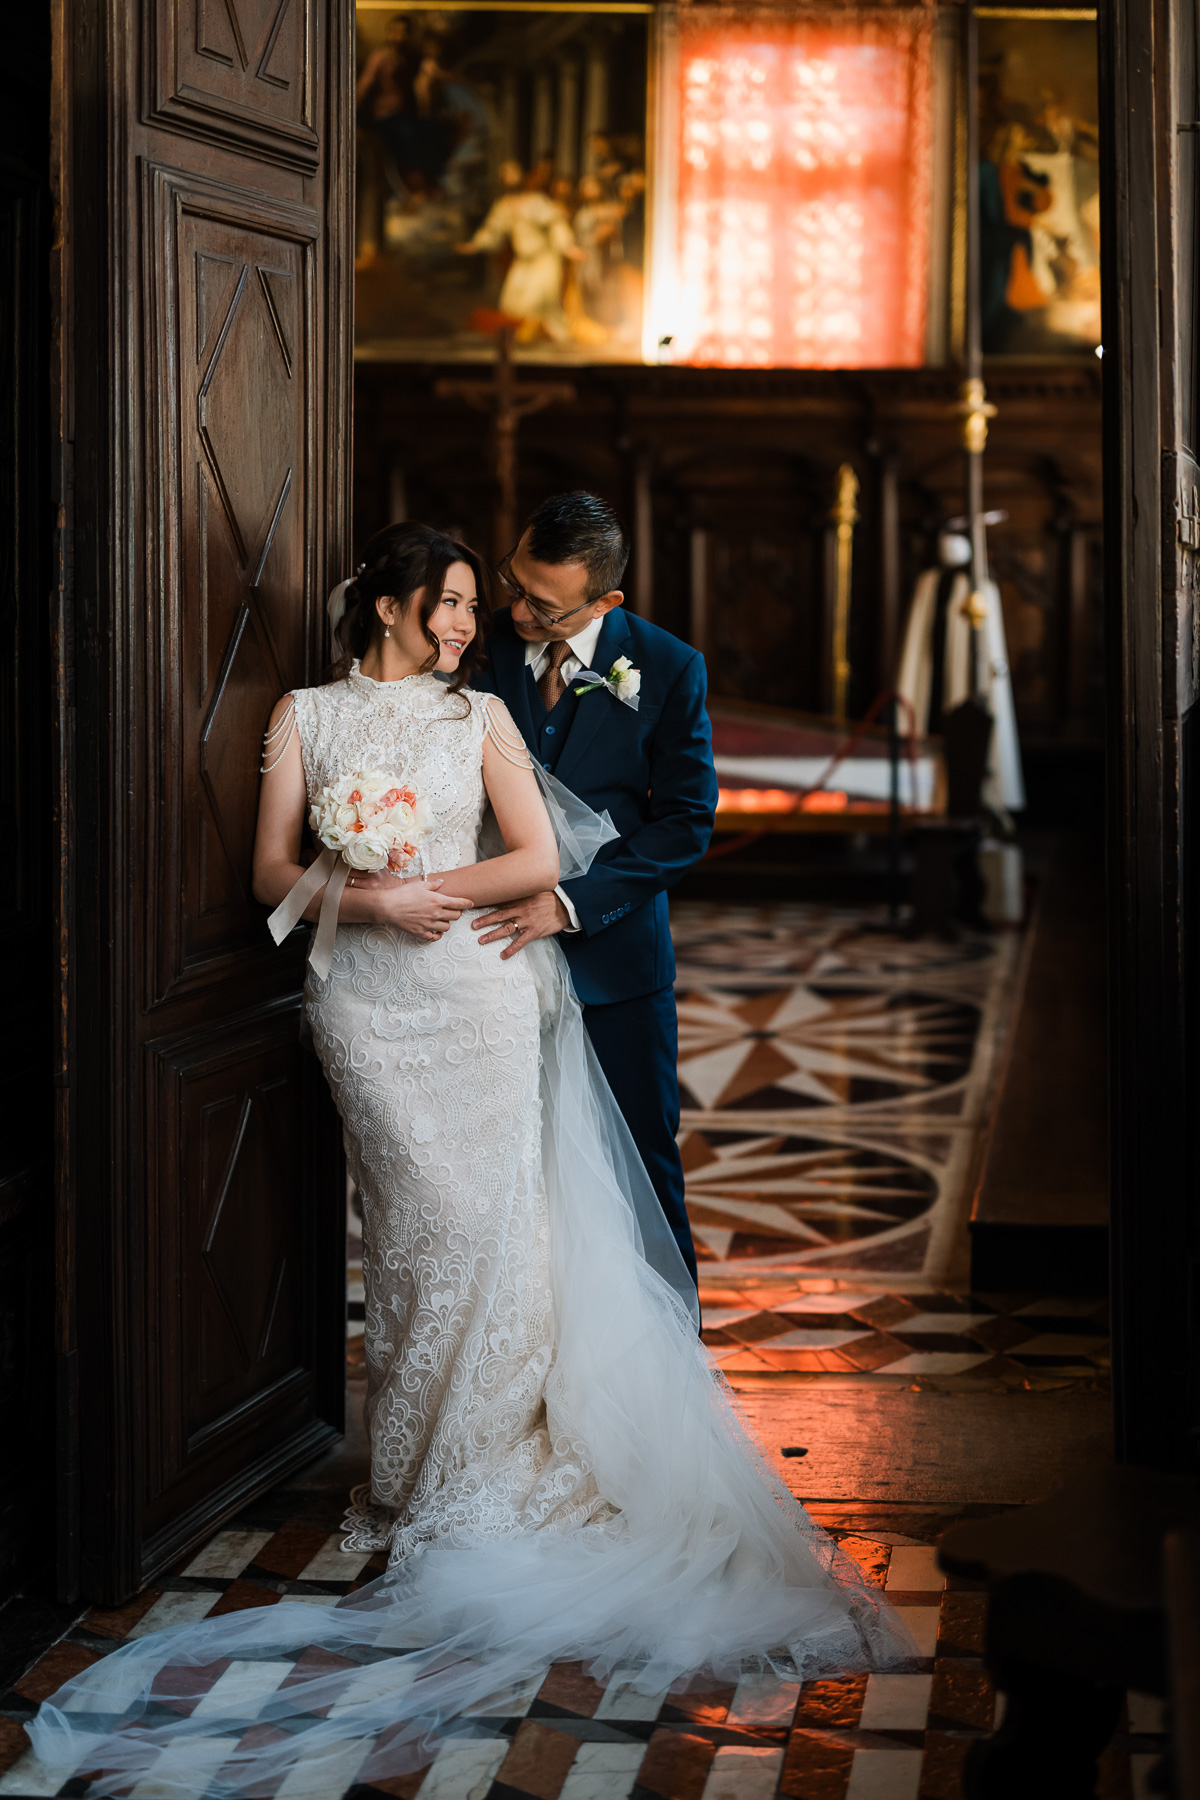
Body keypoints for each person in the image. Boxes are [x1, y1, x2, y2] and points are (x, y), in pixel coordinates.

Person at [23, 524, 912, 1799]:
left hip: (479, 996)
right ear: (384, 607)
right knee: (413, 1227)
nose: (464, 625)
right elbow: (274, 870)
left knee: (491, 1224)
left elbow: (542, 858)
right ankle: (406, 1469)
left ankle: (473, 1469)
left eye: (468, 607)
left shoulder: (480, 711)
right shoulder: (304, 717)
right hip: (365, 1007)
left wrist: (433, 880)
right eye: (444, 605)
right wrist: (366, 895)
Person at [471, 492, 713, 1287]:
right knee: (503, 1162)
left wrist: (572, 902)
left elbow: (683, 825)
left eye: (541, 603)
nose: (516, 609)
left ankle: (670, 1364)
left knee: (639, 1160)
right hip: (487, 955)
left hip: (615, 964)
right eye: (513, 582)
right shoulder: (480, 646)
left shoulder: (670, 668)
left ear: (605, 600)